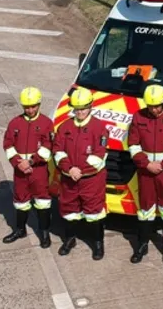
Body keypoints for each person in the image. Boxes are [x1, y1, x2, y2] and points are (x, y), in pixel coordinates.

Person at [127, 84, 163, 265]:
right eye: (150, 106)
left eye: (156, 106)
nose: (153, 110)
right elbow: (133, 144)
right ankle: (142, 245)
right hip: (145, 172)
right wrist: (146, 164)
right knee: (145, 210)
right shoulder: (138, 117)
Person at [53, 87, 109, 260]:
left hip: (91, 181)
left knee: (94, 213)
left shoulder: (99, 128)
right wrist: (69, 168)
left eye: (83, 109)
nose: (80, 112)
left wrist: (80, 170)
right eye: (77, 109)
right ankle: (70, 240)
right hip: (69, 178)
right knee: (69, 210)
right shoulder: (65, 127)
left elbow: (99, 156)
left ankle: (98, 244)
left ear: (90, 106)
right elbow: (58, 151)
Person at [2, 87, 55, 249]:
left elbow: (48, 146)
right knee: (20, 202)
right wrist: (18, 162)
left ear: (39, 104)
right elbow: (8, 145)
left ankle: (44, 233)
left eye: (33, 106)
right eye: (27, 107)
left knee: (43, 202)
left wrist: (31, 161)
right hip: (20, 170)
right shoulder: (15, 123)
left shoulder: (46, 123)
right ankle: (20, 230)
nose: (30, 110)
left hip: (38, 170)